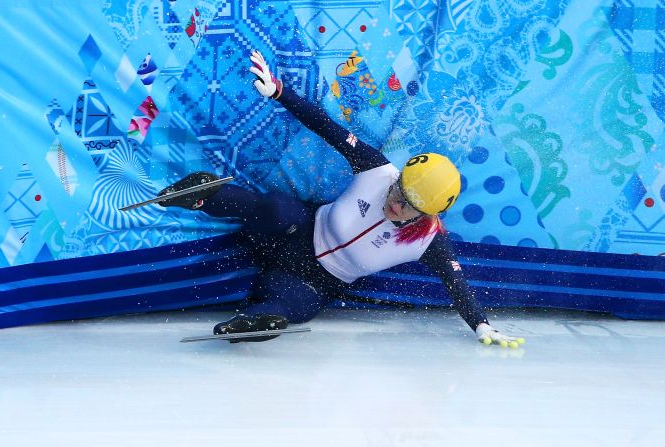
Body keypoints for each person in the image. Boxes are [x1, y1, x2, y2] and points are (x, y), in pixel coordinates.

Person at [158, 50, 525, 348]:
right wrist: (279, 91)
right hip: (296, 230)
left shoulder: (430, 241)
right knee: (276, 208)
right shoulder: (378, 171)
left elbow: (456, 285)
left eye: (409, 207)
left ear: (427, 214)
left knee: (296, 306)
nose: (396, 204)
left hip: (315, 278)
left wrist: (481, 324)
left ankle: (253, 322)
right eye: (399, 191)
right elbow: (325, 126)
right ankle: (206, 194)